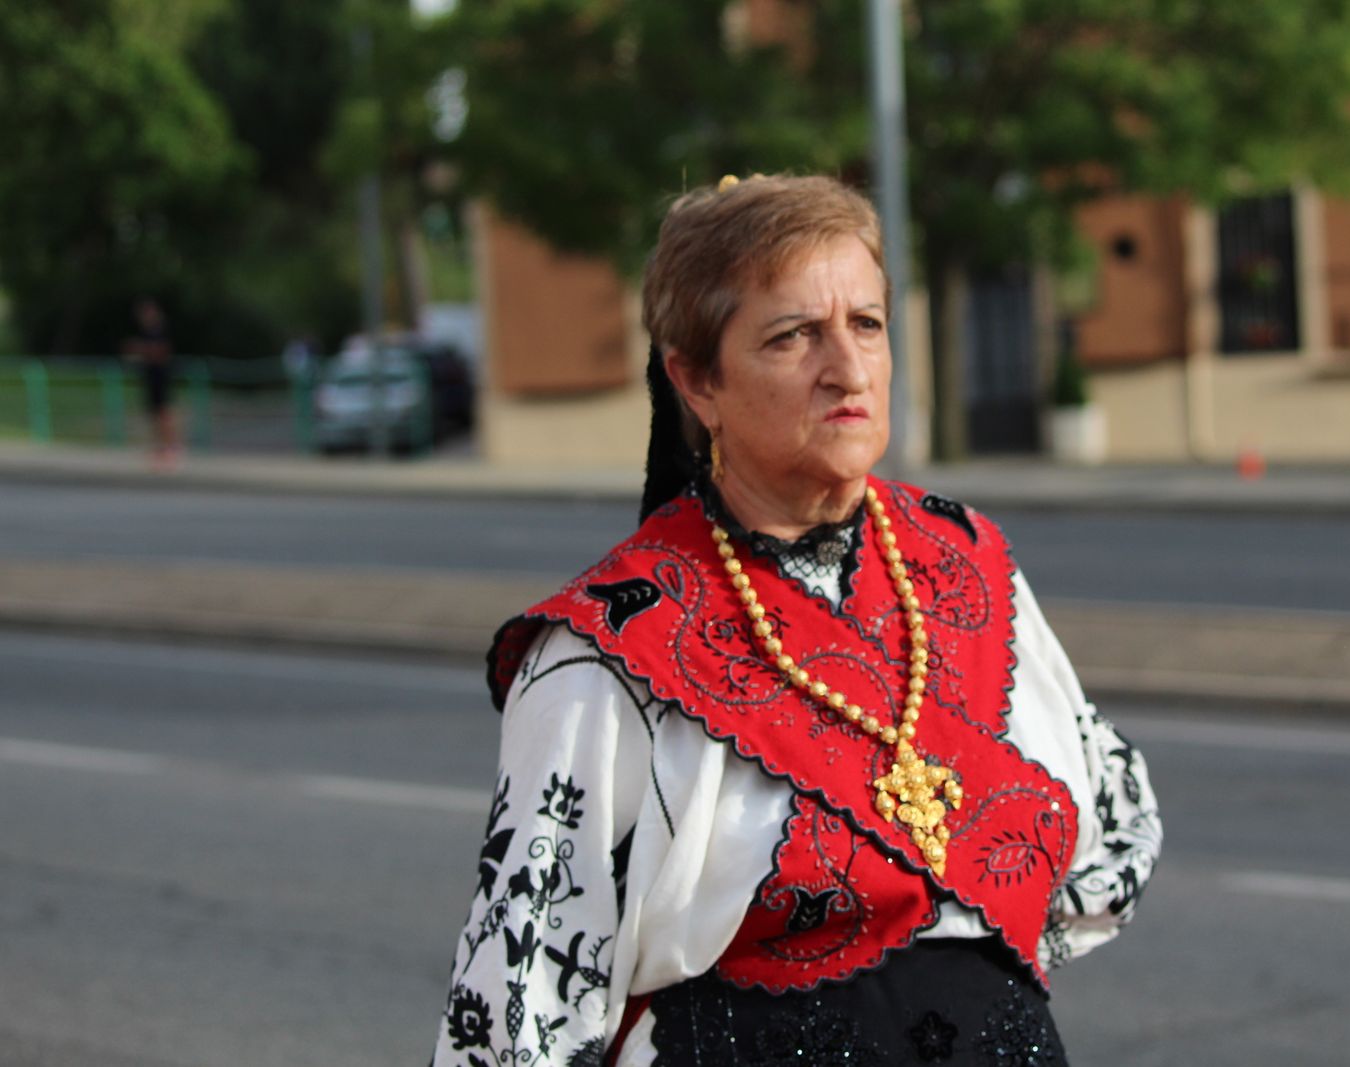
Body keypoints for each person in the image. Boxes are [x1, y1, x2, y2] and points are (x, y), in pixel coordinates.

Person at [431, 175, 1161, 1066]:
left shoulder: (970, 562)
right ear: (697, 380)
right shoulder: (603, 654)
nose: (848, 369)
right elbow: (520, 1003)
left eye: (867, 324)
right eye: (793, 335)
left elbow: (1106, 818)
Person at [123, 298, 180, 467]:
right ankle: (160, 448)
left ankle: (171, 449)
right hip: (150, 377)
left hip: (161, 376)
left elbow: (162, 351)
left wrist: (140, 349)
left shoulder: (160, 330)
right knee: (154, 414)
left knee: (164, 414)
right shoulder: (146, 332)